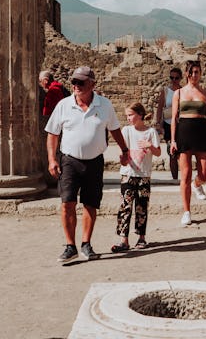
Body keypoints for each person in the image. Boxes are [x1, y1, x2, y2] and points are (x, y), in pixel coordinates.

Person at [46, 66, 129, 264]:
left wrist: (125, 150)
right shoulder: (64, 105)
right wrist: (51, 159)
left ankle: (86, 243)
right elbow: (52, 133)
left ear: (92, 84)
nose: (76, 85)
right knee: (67, 203)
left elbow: (115, 129)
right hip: (70, 160)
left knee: (91, 204)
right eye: (74, 81)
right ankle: (70, 246)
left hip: (94, 162)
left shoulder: (104, 105)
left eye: (81, 82)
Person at [111, 103, 161, 253]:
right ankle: (123, 240)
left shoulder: (151, 132)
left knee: (142, 206)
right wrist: (122, 159)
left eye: (131, 115)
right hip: (128, 174)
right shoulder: (126, 130)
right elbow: (123, 154)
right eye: (127, 115)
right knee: (125, 206)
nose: (128, 118)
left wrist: (149, 146)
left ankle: (141, 237)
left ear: (140, 115)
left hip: (144, 175)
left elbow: (158, 152)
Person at [170, 59, 206, 225]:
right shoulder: (179, 93)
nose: (194, 75)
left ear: (201, 73)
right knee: (185, 174)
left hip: (202, 133)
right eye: (192, 72)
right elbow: (174, 118)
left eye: (197, 72)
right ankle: (187, 211)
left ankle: (197, 185)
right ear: (187, 73)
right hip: (184, 134)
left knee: (204, 173)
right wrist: (173, 140)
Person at [154, 67, 183, 180]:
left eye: (176, 78)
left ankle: (184, 177)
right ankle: (175, 178)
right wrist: (159, 124)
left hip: (180, 124)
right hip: (168, 123)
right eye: (171, 77)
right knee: (172, 152)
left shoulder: (183, 91)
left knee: (182, 153)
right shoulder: (165, 91)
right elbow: (160, 108)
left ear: (180, 78)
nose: (174, 80)